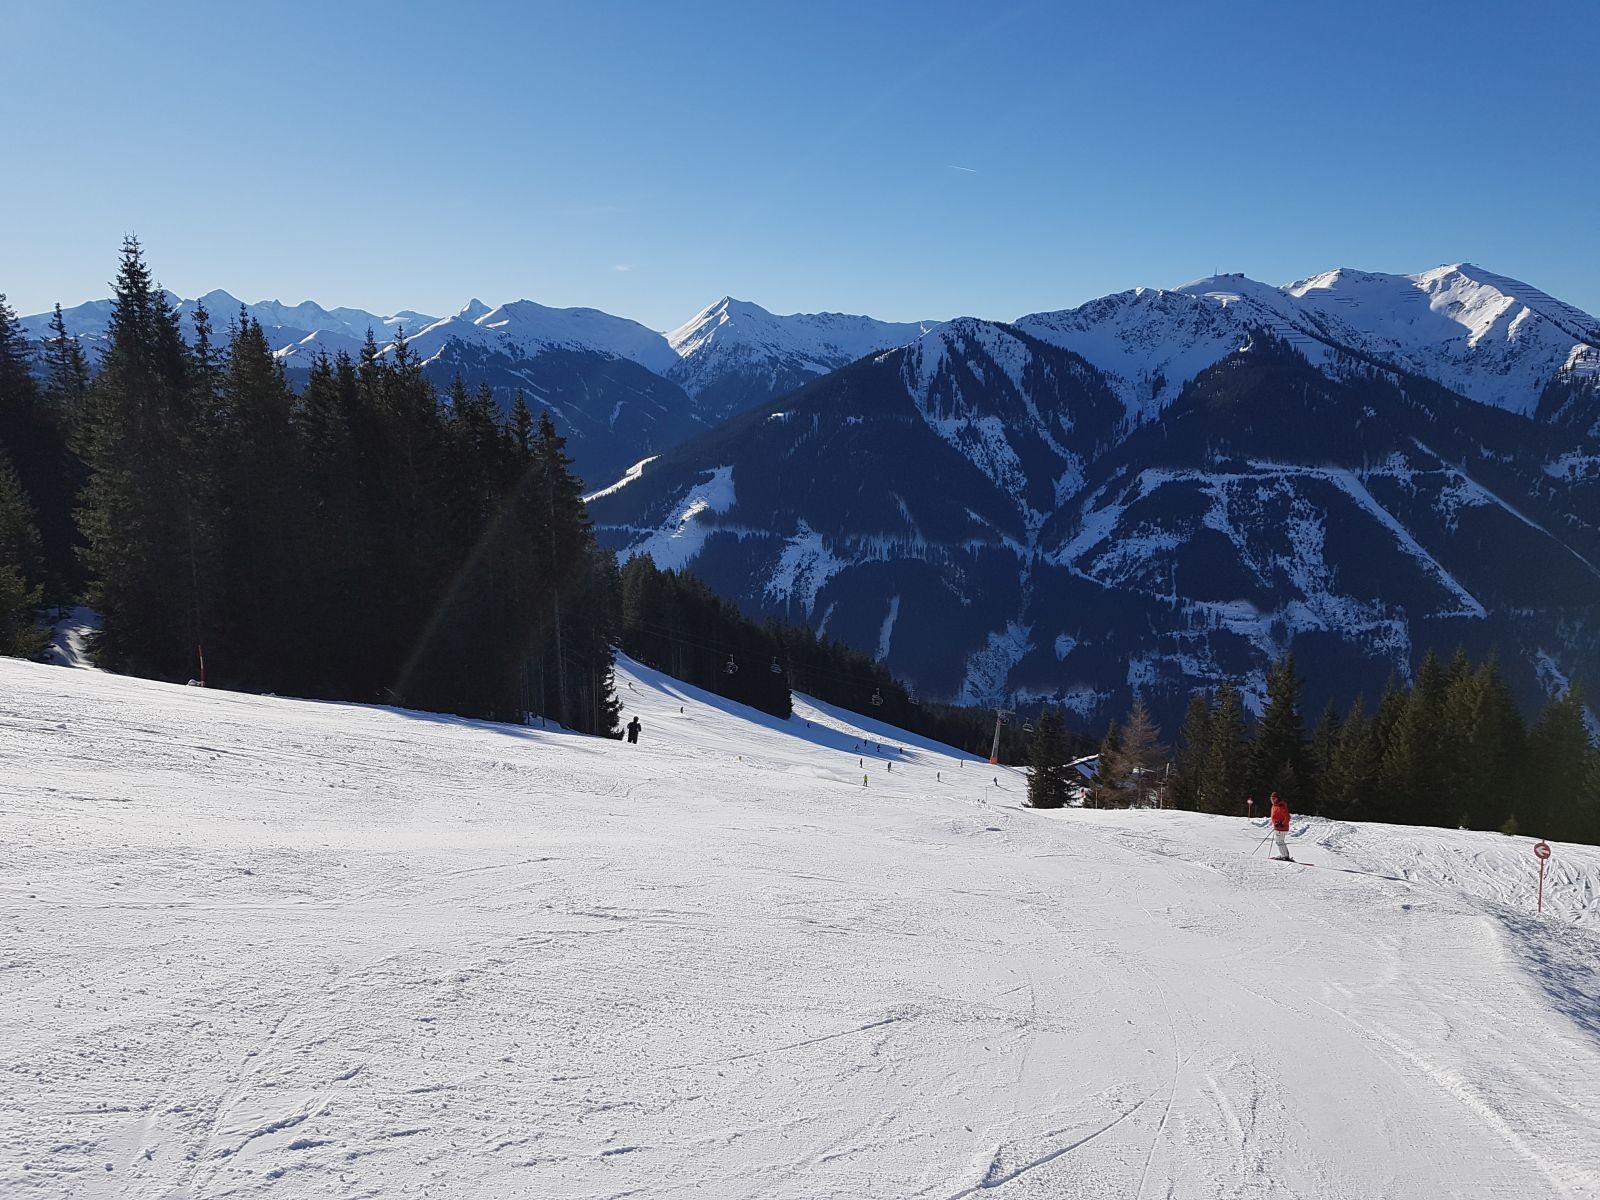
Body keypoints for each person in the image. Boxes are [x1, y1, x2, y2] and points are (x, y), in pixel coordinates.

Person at [1269, 792, 1292, 861]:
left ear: (1278, 799)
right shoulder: (1274, 806)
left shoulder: (1281, 806)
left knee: (1279, 842)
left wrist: (1282, 824)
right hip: (1277, 827)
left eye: (1274, 798)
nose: (1272, 800)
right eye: (1271, 798)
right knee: (1280, 841)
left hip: (1281, 828)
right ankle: (1285, 855)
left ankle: (1285, 856)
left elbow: (1287, 817)